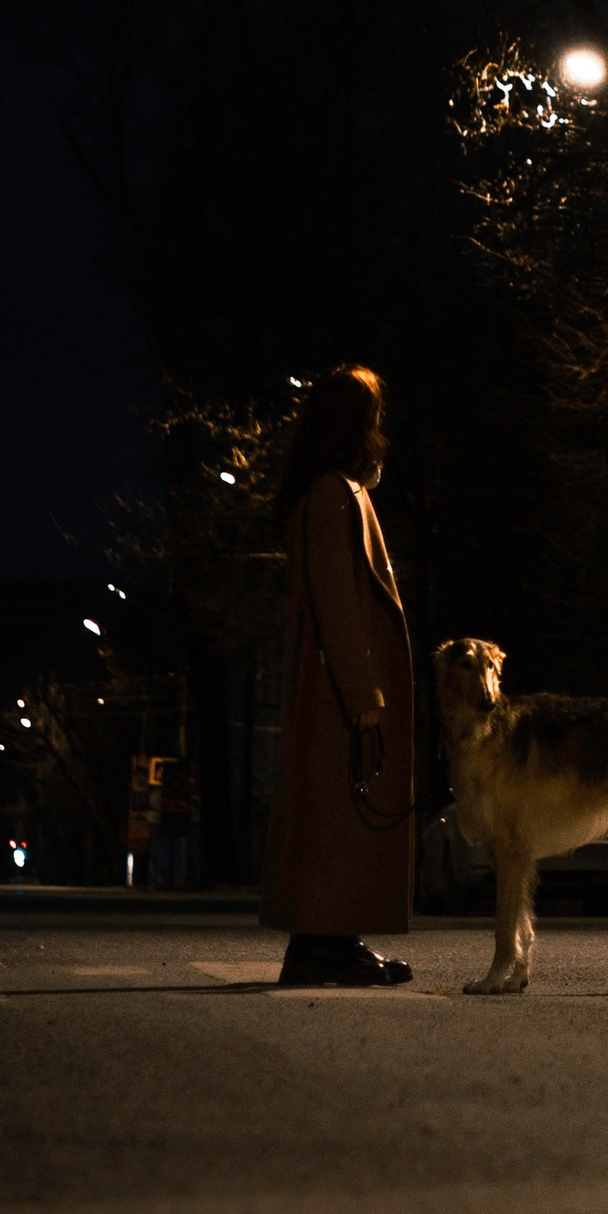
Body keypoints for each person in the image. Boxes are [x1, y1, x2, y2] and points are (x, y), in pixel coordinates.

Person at [263, 361, 415, 989]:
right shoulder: (331, 492)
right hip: (339, 687)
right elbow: (337, 600)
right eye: (373, 412)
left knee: (337, 812)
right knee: (338, 811)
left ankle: (329, 940)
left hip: (336, 683)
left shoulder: (332, 489)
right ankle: (327, 942)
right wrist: (364, 692)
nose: (381, 424)